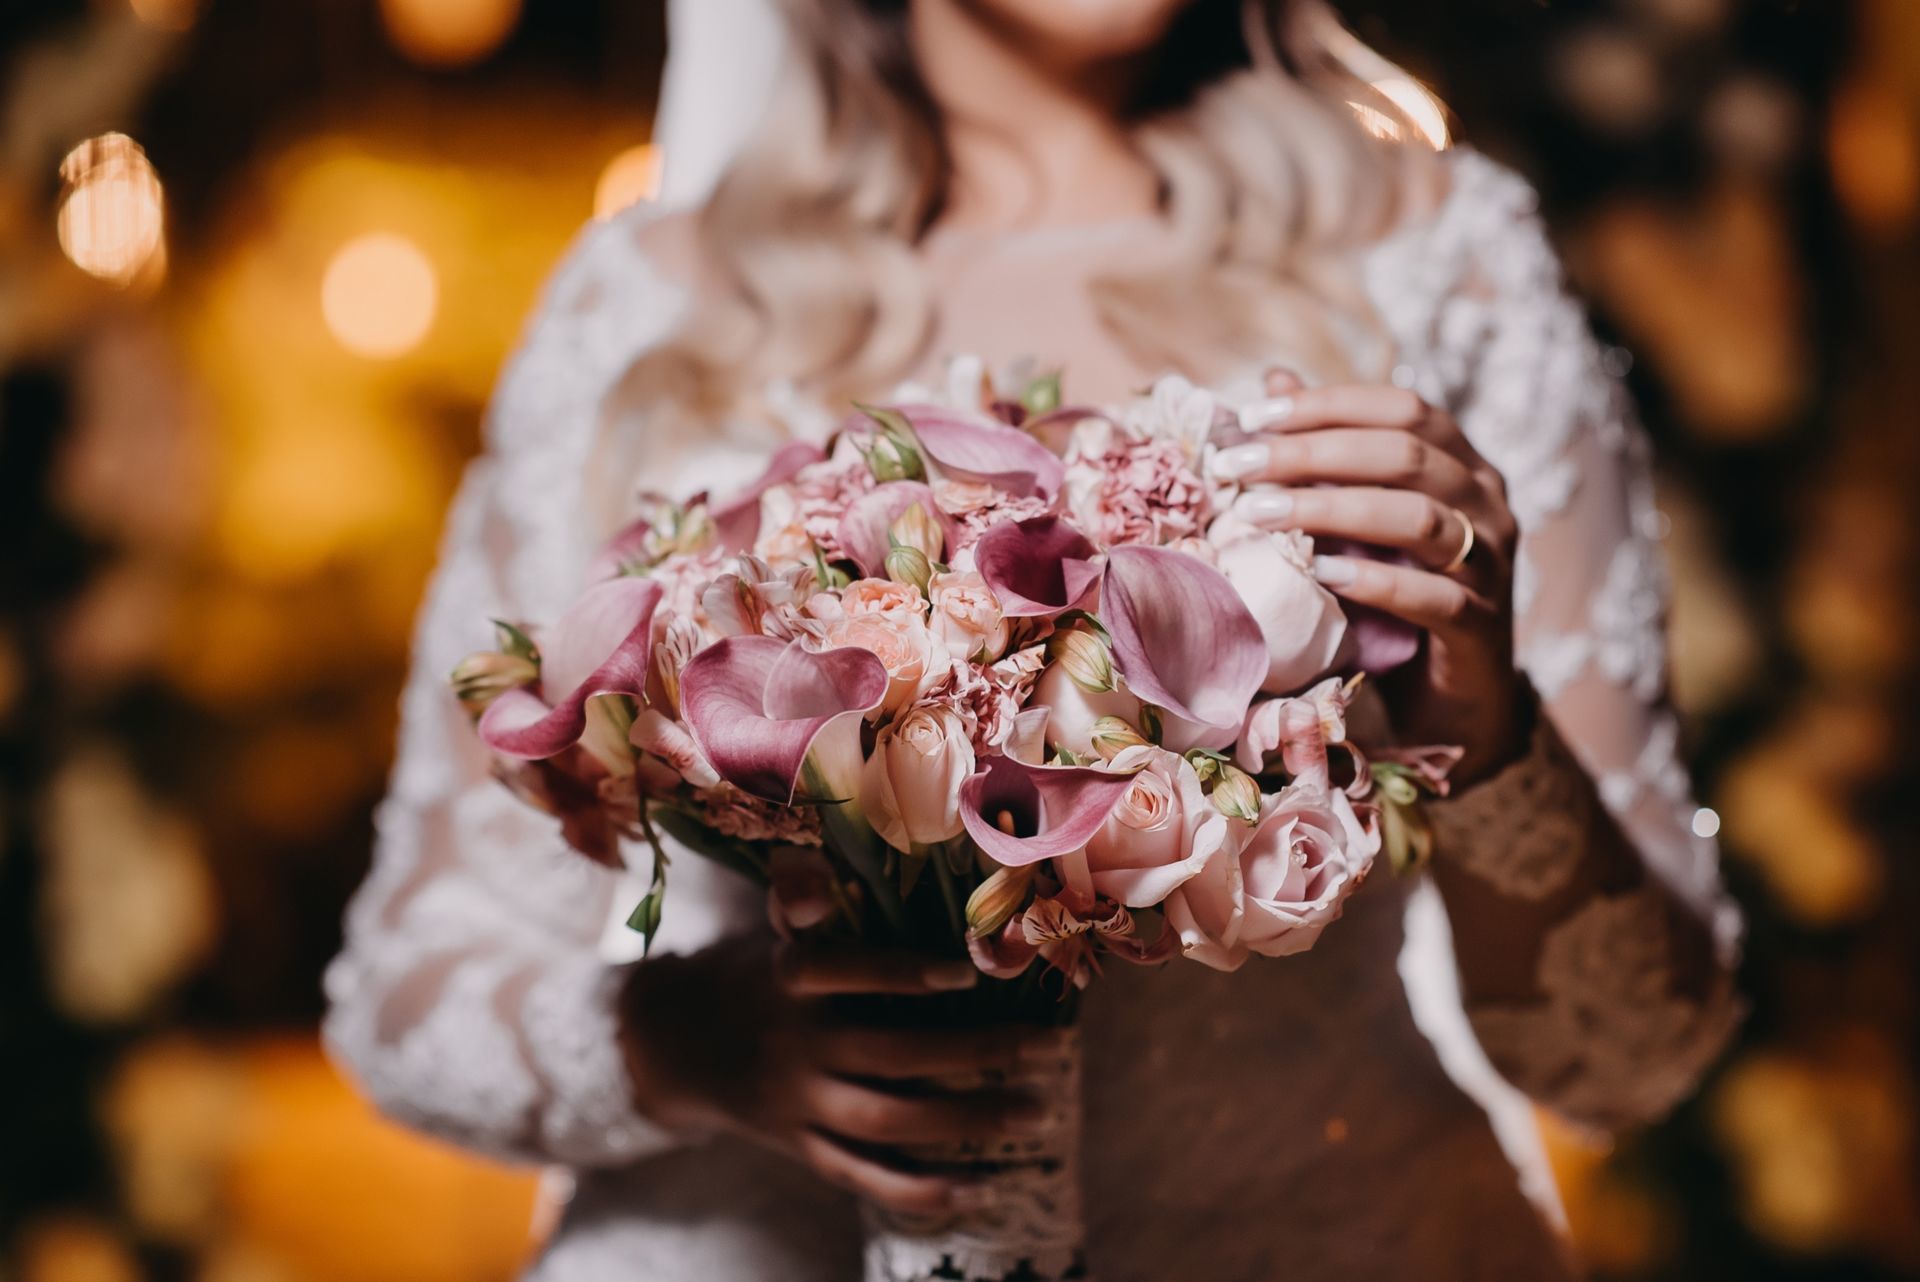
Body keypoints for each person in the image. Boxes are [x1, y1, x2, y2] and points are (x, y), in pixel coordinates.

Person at [324, 1, 1744, 1278]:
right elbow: (410, 995)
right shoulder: (646, 307)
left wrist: (1488, 725)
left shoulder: (1439, 263)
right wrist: (701, 1044)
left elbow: (1629, 1054)